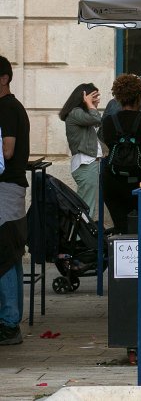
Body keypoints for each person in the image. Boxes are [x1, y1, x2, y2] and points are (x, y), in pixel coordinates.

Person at [100, 74, 141, 234]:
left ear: (118, 97)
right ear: (140, 95)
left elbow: (106, 149)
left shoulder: (108, 121)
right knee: (140, 229)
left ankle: (119, 256)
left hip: (112, 182)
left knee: (121, 228)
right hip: (138, 182)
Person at [0, 55, 29, 346]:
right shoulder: (12, 106)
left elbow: (7, 150)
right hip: (10, 189)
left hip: (5, 189)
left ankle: (9, 324)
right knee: (10, 255)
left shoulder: (7, 108)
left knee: (4, 257)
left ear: (4, 78)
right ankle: (10, 320)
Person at [59, 83, 103, 219]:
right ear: (83, 97)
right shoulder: (76, 112)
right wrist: (89, 104)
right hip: (86, 165)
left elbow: (95, 122)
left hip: (89, 164)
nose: (97, 99)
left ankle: (82, 237)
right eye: (93, 96)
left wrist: (91, 105)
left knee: (87, 206)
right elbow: (97, 119)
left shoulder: (81, 114)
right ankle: (80, 239)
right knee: (86, 207)